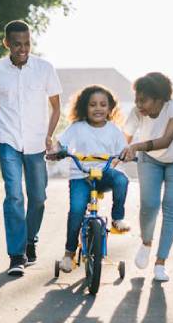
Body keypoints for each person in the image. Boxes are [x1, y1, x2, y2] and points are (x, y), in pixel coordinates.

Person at [0, 20, 62, 276]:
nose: (22, 49)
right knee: (15, 196)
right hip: (8, 141)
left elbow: (56, 106)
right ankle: (16, 255)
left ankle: (30, 241)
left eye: (27, 43)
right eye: (17, 44)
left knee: (38, 198)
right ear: (7, 43)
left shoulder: (45, 68)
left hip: (37, 142)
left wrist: (50, 135)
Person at [48, 85, 130, 273]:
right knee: (77, 211)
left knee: (122, 180)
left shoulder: (114, 130)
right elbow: (61, 144)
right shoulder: (77, 127)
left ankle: (118, 218)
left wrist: (125, 155)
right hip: (81, 175)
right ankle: (69, 254)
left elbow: (123, 150)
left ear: (110, 109)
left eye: (103, 104)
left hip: (104, 174)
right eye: (93, 105)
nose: (98, 108)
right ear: (85, 107)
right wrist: (56, 151)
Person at [121, 72, 173, 282]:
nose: (138, 104)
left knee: (171, 208)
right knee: (149, 204)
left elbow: (166, 140)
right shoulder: (137, 112)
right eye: (136, 99)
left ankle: (161, 263)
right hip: (150, 160)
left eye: (143, 100)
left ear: (159, 98)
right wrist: (117, 155)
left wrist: (136, 146)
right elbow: (123, 139)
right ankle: (146, 243)